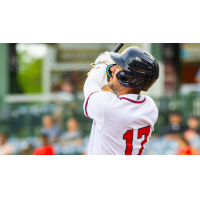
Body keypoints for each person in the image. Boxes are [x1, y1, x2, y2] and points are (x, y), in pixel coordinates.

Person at [83, 46, 159, 155]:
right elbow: (113, 106)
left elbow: (90, 86)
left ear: (128, 77)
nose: (113, 68)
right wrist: (103, 82)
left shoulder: (107, 107)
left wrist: (100, 65)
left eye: (119, 67)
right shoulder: (150, 107)